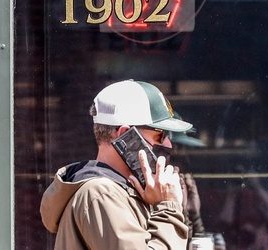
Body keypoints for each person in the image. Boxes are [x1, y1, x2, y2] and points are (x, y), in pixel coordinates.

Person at [40, 80, 191, 249]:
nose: (169, 144)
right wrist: (169, 208)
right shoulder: (101, 194)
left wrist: (176, 210)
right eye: (160, 135)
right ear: (125, 136)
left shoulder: (126, 192)